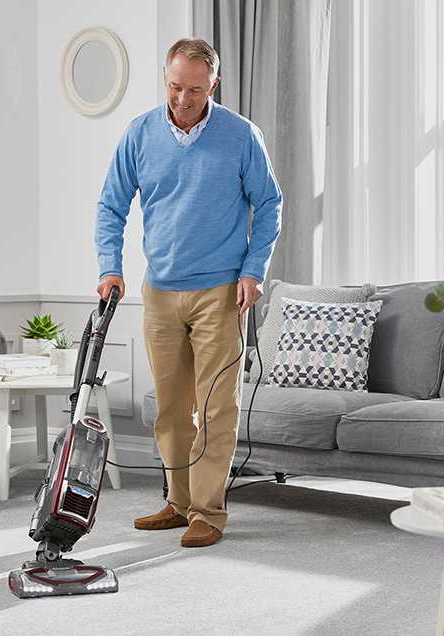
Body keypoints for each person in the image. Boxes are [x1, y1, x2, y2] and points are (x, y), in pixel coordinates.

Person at [95, 38, 282, 548]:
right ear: (166, 78)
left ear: (213, 85)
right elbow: (111, 206)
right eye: (175, 86)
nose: (183, 99)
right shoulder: (140, 133)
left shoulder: (241, 135)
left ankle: (208, 513)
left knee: (217, 407)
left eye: (194, 90)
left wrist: (253, 271)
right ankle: (178, 504)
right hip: (160, 294)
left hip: (221, 292)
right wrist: (109, 267)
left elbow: (268, 204)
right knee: (170, 408)